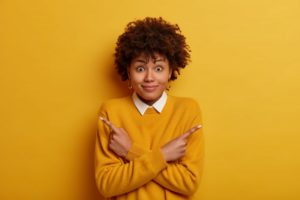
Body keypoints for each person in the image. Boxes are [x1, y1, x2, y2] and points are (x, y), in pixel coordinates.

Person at [95, 17, 204, 200]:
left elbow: (188, 183)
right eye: (140, 69)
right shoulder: (111, 112)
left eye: (159, 68)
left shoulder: (187, 110)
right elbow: (107, 185)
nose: (149, 77)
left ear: (170, 71)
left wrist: (130, 151)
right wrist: (164, 156)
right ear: (128, 71)